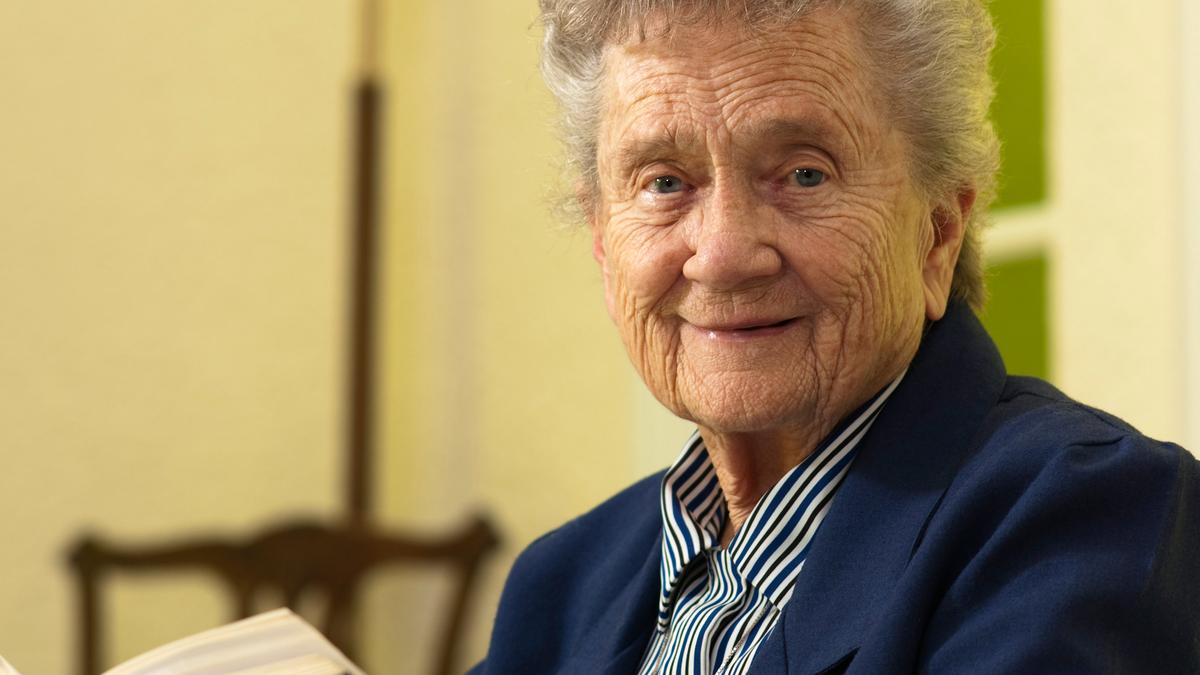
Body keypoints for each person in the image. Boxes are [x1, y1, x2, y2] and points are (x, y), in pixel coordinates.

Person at [469, 0, 1200, 672]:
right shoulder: (560, 586)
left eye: (803, 174)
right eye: (664, 183)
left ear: (938, 235)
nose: (722, 254)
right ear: (603, 243)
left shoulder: (1091, 516)